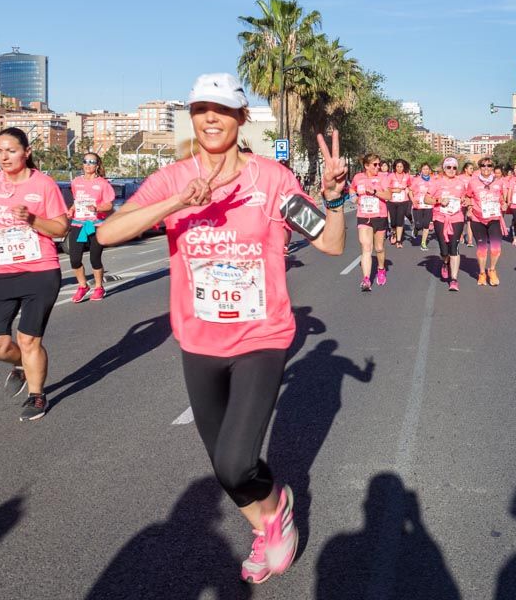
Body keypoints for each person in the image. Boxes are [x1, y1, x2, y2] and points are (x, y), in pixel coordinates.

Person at [98, 72, 349, 584]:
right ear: (192, 118)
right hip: (198, 339)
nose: (209, 117)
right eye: (199, 109)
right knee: (224, 467)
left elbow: (330, 244)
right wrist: (177, 203)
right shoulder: (172, 178)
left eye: (221, 109)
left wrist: (335, 200)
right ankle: (268, 524)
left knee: (236, 464)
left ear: (240, 118)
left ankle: (276, 504)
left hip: (262, 335)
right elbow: (107, 232)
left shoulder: (272, 180)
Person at [0, 128, 69, 421]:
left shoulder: (44, 185)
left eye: (10, 150)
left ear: (26, 152)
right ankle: (23, 364)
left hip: (40, 270)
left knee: (28, 339)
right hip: (1, 270)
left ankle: (36, 395)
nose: (3, 156)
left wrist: (33, 219)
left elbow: (61, 228)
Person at [67, 152, 116, 302]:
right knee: (74, 259)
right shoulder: (76, 181)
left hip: (96, 224)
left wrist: (96, 208)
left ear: (97, 165)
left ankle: (99, 287)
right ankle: (83, 286)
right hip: (78, 224)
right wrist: (71, 209)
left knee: (95, 258)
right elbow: (77, 200)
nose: (88, 164)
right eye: (85, 161)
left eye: (92, 162)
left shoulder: (103, 183)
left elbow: (109, 205)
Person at [349, 154, 394, 291]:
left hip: (379, 216)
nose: (378, 167)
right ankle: (366, 279)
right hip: (363, 215)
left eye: (379, 164)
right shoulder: (358, 177)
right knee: (366, 247)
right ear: (366, 166)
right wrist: (353, 198)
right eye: (375, 164)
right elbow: (352, 189)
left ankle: (381, 269)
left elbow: (389, 196)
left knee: (379, 248)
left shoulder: (383, 178)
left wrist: (374, 192)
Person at [464, 157, 507, 286]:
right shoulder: (473, 182)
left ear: (493, 167)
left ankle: (492, 270)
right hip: (478, 219)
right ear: (480, 167)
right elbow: (468, 196)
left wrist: (504, 204)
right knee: (482, 248)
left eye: (489, 165)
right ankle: (482, 273)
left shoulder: (499, 182)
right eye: (483, 166)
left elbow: (501, 198)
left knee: (496, 248)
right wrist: (469, 207)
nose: (486, 168)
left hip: (494, 218)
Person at [429, 157, 470, 291]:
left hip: (456, 217)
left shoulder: (460, 182)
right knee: (444, 249)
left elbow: (465, 197)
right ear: (444, 168)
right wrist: (439, 200)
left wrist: (465, 201)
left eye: (454, 167)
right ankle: (445, 262)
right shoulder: (436, 182)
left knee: (454, 247)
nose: (451, 170)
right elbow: (426, 198)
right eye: (448, 167)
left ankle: (454, 279)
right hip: (440, 217)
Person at [386, 159, 413, 248]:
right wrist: (394, 190)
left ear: (404, 167)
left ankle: (399, 241)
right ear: (395, 167)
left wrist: (412, 198)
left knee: (400, 221)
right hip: (392, 201)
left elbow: (410, 187)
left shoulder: (407, 176)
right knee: (393, 222)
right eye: (397, 166)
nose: (399, 168)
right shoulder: (391, 176)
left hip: (403, 201)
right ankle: (393, 233)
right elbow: (386, 188)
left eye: (401, 166)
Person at [411, 162, 435, 251]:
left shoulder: (433, 181)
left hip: (429, 205)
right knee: (419, 225)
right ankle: (416, 229)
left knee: (426, 225)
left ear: (430, 170)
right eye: (424, 169)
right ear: (421, 170)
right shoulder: (416, 180)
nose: (425, 171)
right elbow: (410, 191)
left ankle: (423, 243)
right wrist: (413, 200)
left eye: (427, 169)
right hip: (418, 205)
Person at [461, 162, 476, 248]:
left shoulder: (474, 178)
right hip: (462, 200)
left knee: (470, 219)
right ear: (465, 169)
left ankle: (470, 241)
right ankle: (461, 235)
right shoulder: (460, 178)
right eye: (470, 168)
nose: (472, 170)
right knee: (461, 220)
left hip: (471, 200)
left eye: (473, 168)